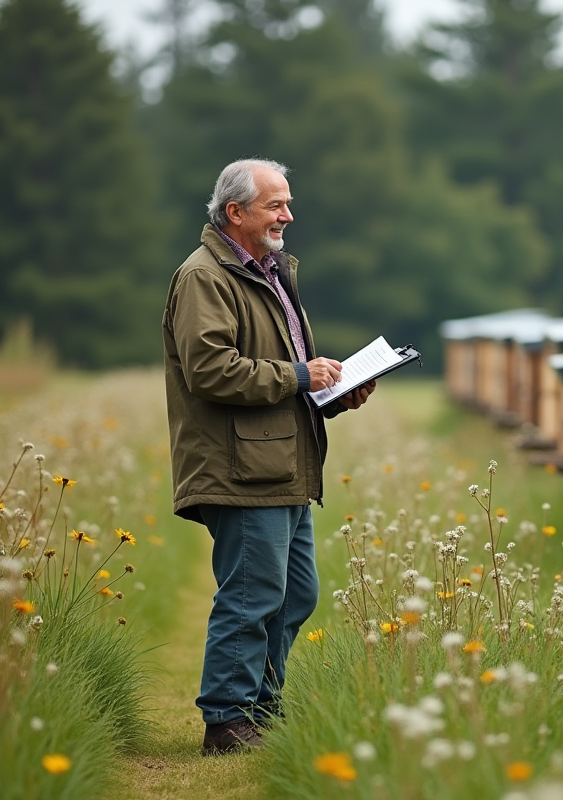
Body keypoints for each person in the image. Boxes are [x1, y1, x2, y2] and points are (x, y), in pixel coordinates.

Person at [162, 158, 375, 755]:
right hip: (239, 468)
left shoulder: (271, 271)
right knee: (253, 596)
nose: (288, 215)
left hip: (281, 464)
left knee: (297, 593)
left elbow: (284, 374)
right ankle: (228, 722)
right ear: (235, 213)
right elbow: (210, 371)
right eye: (275, 205)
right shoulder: (205, 276)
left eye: (286, 203)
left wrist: (333, 391)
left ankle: (261, 709)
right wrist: (301, 376)